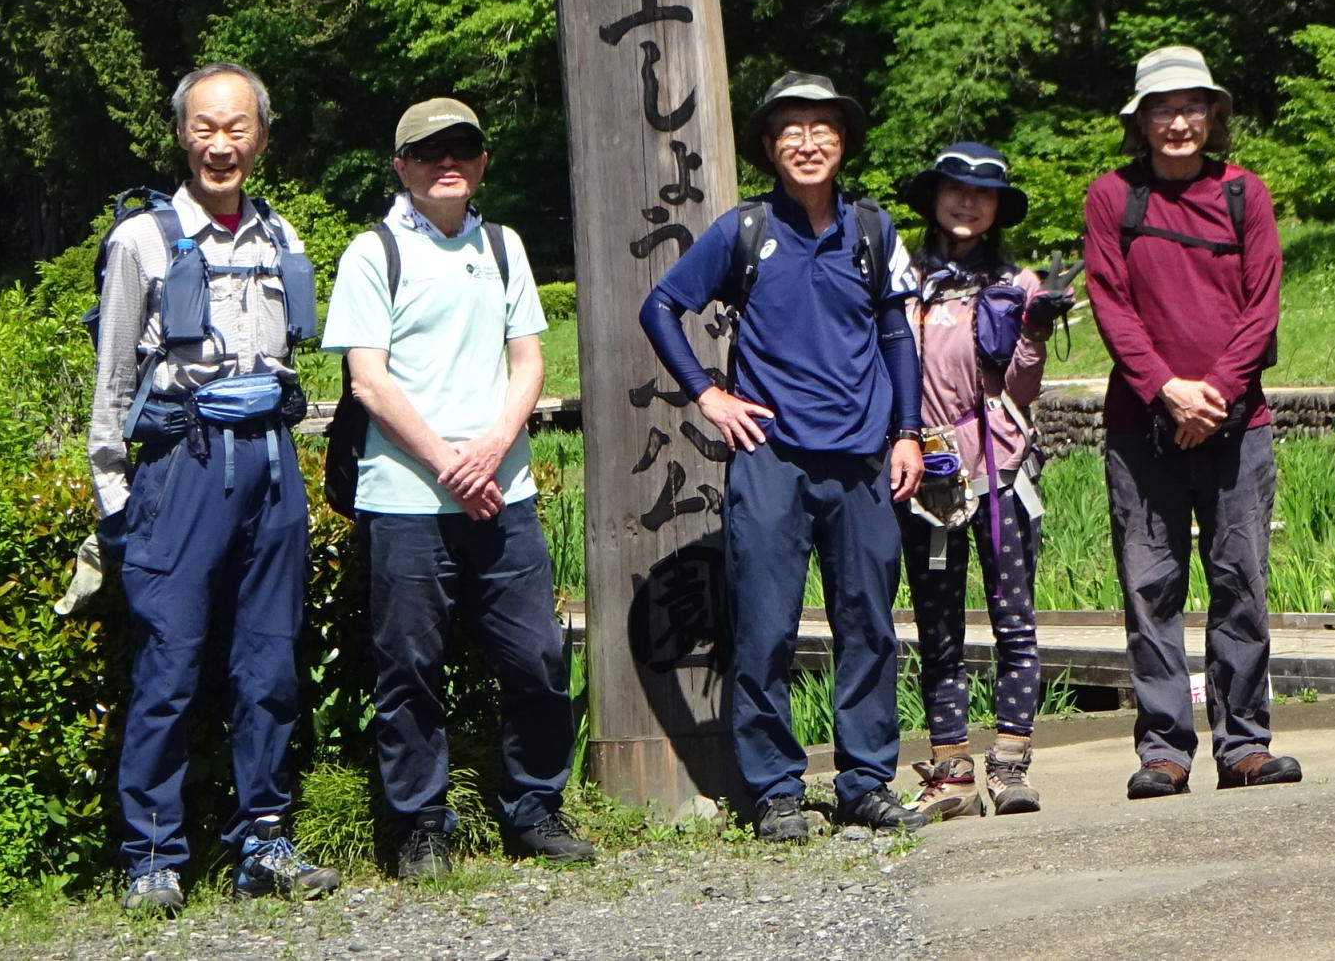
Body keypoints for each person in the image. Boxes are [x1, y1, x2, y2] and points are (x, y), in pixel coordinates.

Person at [642, 73, 927, 841]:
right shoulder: (744, 230)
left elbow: (899, 334)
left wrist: (909, 431)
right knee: (765, 627)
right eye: (791, 130)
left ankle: (866, 781)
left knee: (868, 624)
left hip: (866, 456)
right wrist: (707, 393)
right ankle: (773, 790)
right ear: (769, 147)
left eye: (823, 129)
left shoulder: (874, 231)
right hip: (771, 457)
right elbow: (661, 306)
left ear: (844, 142)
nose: (808, 142)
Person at [86, 62, 338, 914]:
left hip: (270, 467)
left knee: (269, 665)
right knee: (170, 665)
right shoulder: (141, 242)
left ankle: (264, 841)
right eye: (205, 128)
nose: (220, 144)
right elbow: (113, 385)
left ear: (262, 135)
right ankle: (151, 853)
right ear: (181, 135)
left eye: (237, 127)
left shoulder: (283, 234)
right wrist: (113, 501)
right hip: (180, 469)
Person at [319, 97, 591, 877]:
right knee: (408, 666)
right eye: (430, 151)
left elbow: (529, 360)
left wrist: (495, 446)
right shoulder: (373, 253)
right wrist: (448, 460)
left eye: (463, 149)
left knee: (538, 657)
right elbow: (367, 381)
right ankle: (419, 826)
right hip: (405, 499)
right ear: (401, 166)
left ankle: (536, 808)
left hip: (504, 495)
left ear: (482, 163)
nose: (449, 162)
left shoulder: (502, 247)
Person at [1083, 45, 1297, 798]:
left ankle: (1244, 743)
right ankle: (1164, 751)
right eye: (1162, 109)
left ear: (1214, 114)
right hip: (1142, 427)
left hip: (1240, 423)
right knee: (1151, 587)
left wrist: (1214, 395)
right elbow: (1111, 304)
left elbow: (1261, 305)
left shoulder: (1247, 193)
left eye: (1192, 107)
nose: (1178, 122)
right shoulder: (1112, 197)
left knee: (1241, 581)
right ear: (1139, 122)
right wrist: (1167, 391)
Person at [894, 142, 1063, 818]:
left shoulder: (1017, 284)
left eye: (983, 193)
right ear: (934, 197)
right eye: (954, 189)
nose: (967, 202)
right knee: (937, 625)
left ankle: (1012, 763)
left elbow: (1023, 388)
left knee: (1012, 619)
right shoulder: (901, 279)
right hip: (921, 465)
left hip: (997, 464)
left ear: (998, 210)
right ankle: (951, 767)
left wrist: (1036, 331)